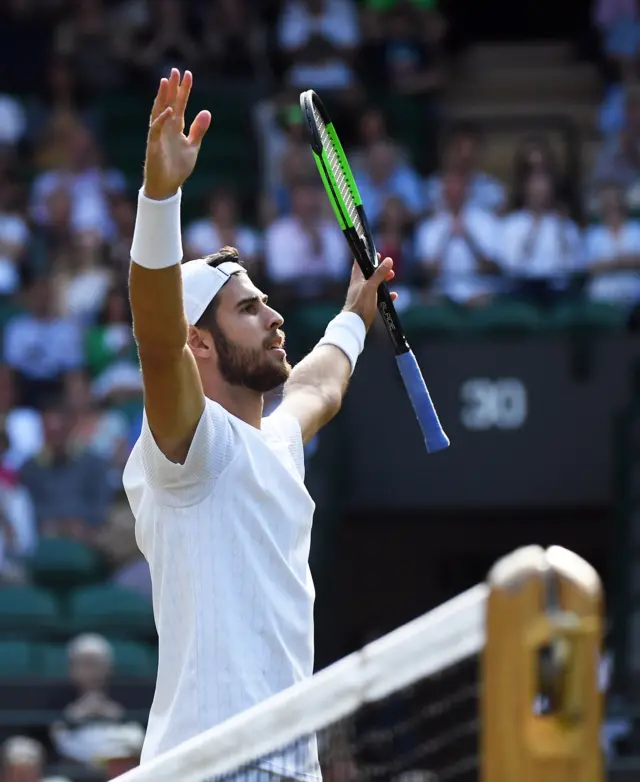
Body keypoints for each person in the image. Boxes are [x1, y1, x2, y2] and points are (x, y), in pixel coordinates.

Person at [123, 68, 397, 776]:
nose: (276, 317)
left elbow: (320, 385)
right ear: (201, 345)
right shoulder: (189, 448)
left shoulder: (272, 442)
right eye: (250, 309)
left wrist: (355, 313)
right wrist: (161, 196)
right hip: (210, 767)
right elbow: (155, 336)